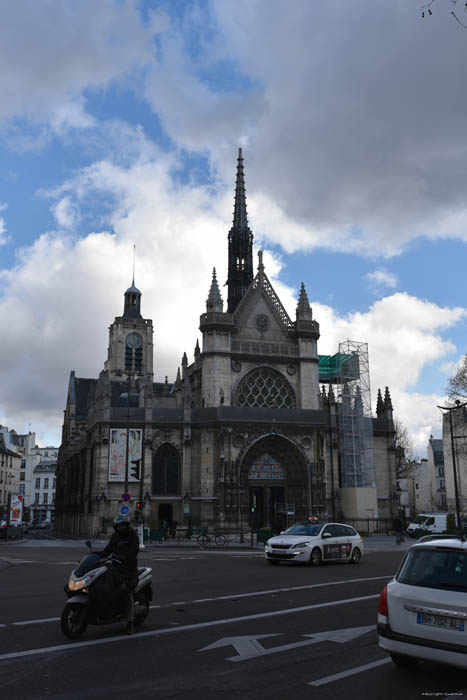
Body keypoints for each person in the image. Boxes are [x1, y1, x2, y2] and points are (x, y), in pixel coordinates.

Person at [97, 514, 140, 634]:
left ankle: (130, 622)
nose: (121, 528)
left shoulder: (133, 537)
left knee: (126, 591)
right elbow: (108, 550)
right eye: (119, 526)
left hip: (128, 570)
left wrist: (125, 557)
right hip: (115, 567)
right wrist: (95, 555)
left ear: (127, 525)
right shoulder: (116, 536)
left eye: (123, 525)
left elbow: (134, 551)